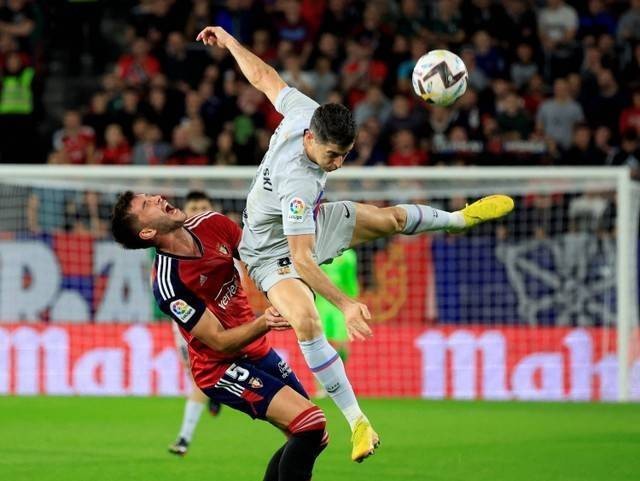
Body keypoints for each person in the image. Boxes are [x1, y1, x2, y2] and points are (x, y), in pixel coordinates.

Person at [197, 25, 515, 462]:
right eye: (332, 157)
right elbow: (303, 261)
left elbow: (266, 77)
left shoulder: (304, 112)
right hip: (268, 252)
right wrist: (346, 304)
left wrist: (231, 43)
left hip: (309, 223)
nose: (339, 163)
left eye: (345, 155)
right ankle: (357, 422)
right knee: (307, 319)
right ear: (310, 139)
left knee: (391, 219)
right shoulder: (299, 185)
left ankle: (459, 219)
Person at [111, 192, 329, 481]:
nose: (157, 197)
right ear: (148, 232)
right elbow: (218, 341)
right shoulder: (169, 283)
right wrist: (266, 321)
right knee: (310, 423)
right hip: (219, 367)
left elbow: (259, 262)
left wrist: (288, 287)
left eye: (151, 195)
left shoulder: (212, 223)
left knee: (314, 434)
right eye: (147, 204)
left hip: (257, 350)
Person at [168, 191, 223, 456]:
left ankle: (184, 437)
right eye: (194, 207)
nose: (199, 210)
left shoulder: (223, 241)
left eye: (204, 206)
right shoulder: (172, 242)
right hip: (182, 320)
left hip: (215, 318)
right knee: (194, 375)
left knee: (202, 377)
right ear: (185, 210)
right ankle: (214, 394)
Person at [314, 248, 358, 397]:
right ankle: (322, 387)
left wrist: (351, 302)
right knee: (320, 345)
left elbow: (350, 281)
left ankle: (339, 380)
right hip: (320, 304)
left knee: (341, 344)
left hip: (340, 304)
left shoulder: (348, 256)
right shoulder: (317, 250)